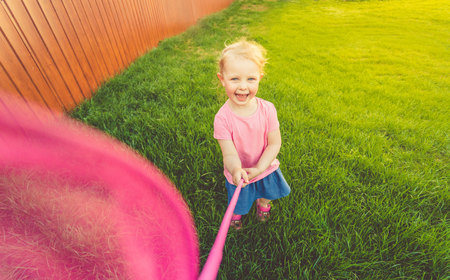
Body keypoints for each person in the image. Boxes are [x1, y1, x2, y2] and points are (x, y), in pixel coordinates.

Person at [214, 39, 291, 230]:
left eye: (250, 79)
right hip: (240, 172)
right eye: (234, 79)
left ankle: (263, 205)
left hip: (265, 166)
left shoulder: (268, 109)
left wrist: (260, 168)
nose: (243, 86)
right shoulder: (222, 118)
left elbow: (274, 143)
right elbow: (229, 154)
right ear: (222, 79)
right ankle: (237, 215)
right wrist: (235, 170)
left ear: (260, 78)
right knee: (239, 200)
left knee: (267, 191)